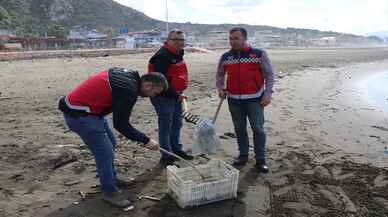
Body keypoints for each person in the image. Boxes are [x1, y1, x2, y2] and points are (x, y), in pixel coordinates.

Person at [58, 67, 168, 207]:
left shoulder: (130, 75)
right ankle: (109, 192)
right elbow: (121, 125)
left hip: (92, 111)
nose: (153, 96)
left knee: (112, 143)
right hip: (79, 114)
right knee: (105, 153)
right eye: (154, 92)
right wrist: (145, 140)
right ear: (147, 85)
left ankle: (112, 177)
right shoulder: (129, 90)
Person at [216, 27, 275, 173]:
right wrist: (220, 88)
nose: (232, 41)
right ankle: (243, 156)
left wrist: (268, 94)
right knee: (239, 129)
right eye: (230, 38)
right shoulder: (226, 57)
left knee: (258, 129)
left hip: (255, 100)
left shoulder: (258, 54)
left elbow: (269, 75)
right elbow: (220, 74)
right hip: (234, 100)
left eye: (236, 38)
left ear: (245, 38)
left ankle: (260, 159)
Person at [148, 29, 193, 166]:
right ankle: (167, 155)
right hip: (163, 96)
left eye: (181, 40)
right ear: (168, 40)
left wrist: (178, 93)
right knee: (166, 126)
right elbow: (159, 83)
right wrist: (176, 95)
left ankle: (176, 149)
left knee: (177, 124)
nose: (179, 43)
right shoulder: (162, 56)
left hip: (176, 95)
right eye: (175, 40)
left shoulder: (178, 53)